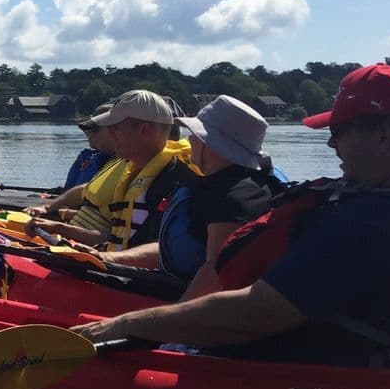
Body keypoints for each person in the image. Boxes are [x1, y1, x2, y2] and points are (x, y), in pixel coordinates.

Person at [74, 63, 390, 367]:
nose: (330, 143)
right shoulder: (363, 204)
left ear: (382, 134)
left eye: (337, 131)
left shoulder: (369, 222)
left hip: (313, 383)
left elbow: (257, 310)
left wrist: (122, 326)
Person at [104, 95, 282, 285]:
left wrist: (167, 315)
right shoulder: (223, 185)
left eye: (196, 135)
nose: (190, 139)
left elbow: (217, 274)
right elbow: (171, 249)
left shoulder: (234, 196)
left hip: (195, 304)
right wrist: (110, 258)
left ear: (213, 144)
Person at [24, 89, 196, 251]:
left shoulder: (173, 182)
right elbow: (114, 238)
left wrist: (104, 256)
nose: (110, 133)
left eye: (116, 127)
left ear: (144, 131)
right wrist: (59, 226)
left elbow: (162, 251)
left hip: (131, 278)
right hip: (113, 265)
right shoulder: (132, 173)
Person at [61, 103, 116, 190]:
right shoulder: (89, 157)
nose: (89, 133)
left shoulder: (125, 163)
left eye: (95, 129)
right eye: (87, 129)